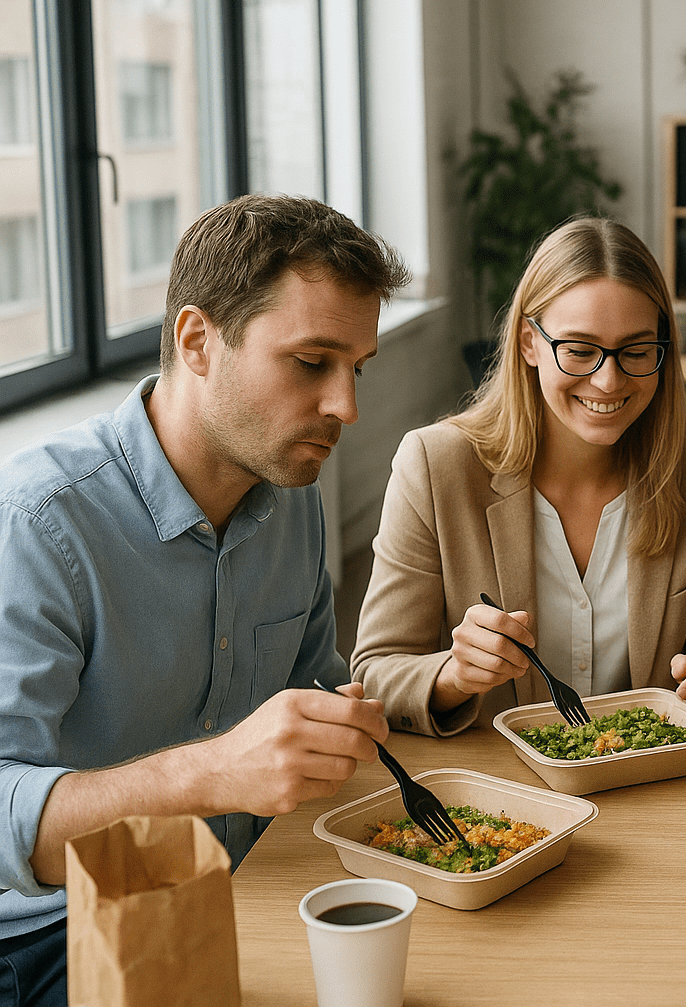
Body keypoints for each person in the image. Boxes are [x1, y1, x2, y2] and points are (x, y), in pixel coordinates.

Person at [0, 193, 409, 1005]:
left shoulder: (292, 497)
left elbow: (313, 683)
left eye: (355, 369)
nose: (346, 408)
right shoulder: (40, 524)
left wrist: (341, 720)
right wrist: (211, 773)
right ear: (196, 340)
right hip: (61, 930)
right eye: (311, 362)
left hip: (248, 881)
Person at [351, 216, 686, 735]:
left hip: (652, 782)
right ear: (529, 343)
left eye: (636, 351)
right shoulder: (435, 464)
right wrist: (453, 676)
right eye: (580, 351)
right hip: (501, 793)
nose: (608, 380)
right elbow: (375, 673)